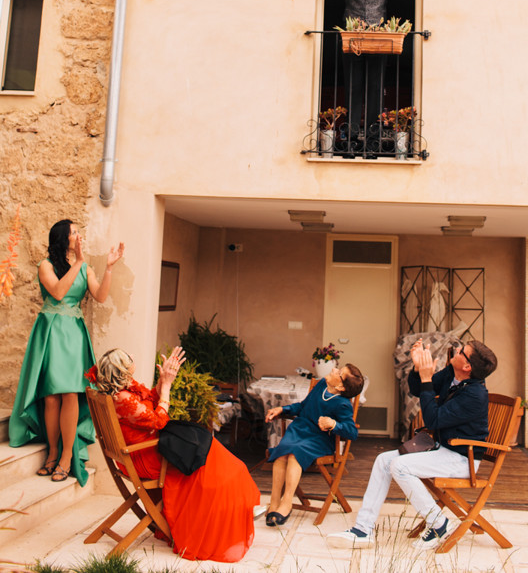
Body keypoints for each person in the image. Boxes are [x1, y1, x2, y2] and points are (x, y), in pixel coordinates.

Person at [268, 0, 451, 146]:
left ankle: (373, 137)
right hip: (351, 41)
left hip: (378, 42)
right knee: (353, 86)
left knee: (376, 87)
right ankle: (352, 137)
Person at [89, 346, 263, 563]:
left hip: (144, 450)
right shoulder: (123, 398)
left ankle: (237, 506)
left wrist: (163, 379)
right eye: (128, 358)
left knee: (205, 444)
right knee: (212, 463)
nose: (133, 356)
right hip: (146, 458)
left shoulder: (120, 391)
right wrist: (168, 386)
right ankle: (231, 511)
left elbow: (151, 400)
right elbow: (158, 419)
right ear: (122, 370)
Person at [327, 338, 498, 551]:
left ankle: (438, 524)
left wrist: (427, 378)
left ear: (467, 366)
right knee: (383, 460)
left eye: (462, 351)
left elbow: (433, 420)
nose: (456, 349)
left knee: (400, 466)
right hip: (443, 449)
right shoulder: (452, 375)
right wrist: (418, 369)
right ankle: (363, 530)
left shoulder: (474, 395)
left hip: (462, 459)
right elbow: (419, 390)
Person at [9, 219, 124, 485]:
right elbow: (59, 292)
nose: (79, 236)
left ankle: (65, 458)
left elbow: (101, 296)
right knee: (51, 397)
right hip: (50, 332)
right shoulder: (46, 266)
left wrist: (107, 268)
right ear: (63, 238)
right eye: (74, 233)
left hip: (73, 335)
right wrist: (79, 263)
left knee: (71, 393)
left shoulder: (85, 268)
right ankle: (51, 453)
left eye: (79, 232)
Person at [265, 363, 364, 525]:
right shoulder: (321, 386)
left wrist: (333, 424)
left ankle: (287, 502)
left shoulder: (343, 405)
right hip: (299, 430)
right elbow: (303, 407)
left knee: (294, 454)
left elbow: (351, 432)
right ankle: (274, 501)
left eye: (338, 372)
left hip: (319, 439)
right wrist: (282, 409)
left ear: (340, 386)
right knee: (283, 453)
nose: (333, 370)